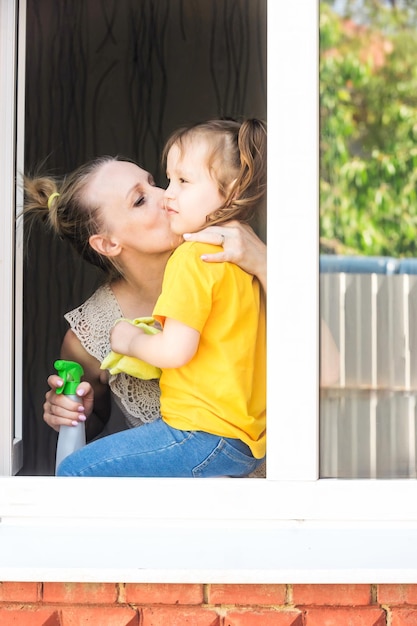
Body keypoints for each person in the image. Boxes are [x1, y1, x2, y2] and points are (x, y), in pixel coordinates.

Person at [23, 152, 267, 475]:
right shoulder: (90, 335)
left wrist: (266, 263)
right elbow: (94, 433)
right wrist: (72, 412)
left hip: (263, 506)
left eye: (153, 182)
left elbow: (329, 371)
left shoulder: (230, 259)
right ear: (107, 243)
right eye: (140, 200)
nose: (166, 195)